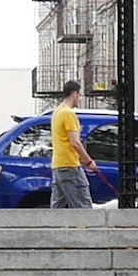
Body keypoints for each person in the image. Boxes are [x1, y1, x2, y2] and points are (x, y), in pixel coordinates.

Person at [47, 79, 93, 208]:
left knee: (58, 210)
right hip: (70, 166)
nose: (79, 98)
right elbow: (75, 143)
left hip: (57, 166)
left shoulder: (57, 113)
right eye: (79, 95)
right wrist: (88, 161)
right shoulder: (68, 114)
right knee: (84, 207)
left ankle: (53, 228)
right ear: (74, 94)